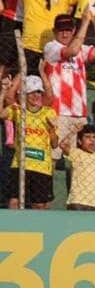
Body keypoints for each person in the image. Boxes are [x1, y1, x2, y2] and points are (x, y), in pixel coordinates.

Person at [42, 10, 95, 156]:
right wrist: (85, 22)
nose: (65, 34)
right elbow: (71, 51)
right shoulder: (51, 47)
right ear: (54, 31)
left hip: (79, 114)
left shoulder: (80, 49)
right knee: (53, 155)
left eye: (68, 30)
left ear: (73, 31)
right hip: (57, 112)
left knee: (78, 159)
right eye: (61, 31)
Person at [0, 74, 57, 208]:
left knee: (40, 205)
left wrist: (52, 129)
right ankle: (13, 229)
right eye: (31, 92)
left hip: (42, 167)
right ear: (24, 95)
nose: (36, 95)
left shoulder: (49, 112)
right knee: (14, 202)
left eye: (38, 92)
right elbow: (1, 113)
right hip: (20, 164)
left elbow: (54, 144)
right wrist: (3, 92)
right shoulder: (18, 111)